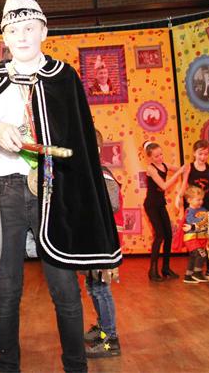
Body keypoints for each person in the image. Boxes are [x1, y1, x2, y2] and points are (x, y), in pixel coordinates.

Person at [0, 0, 121, 373]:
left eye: (29, 28)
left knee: (64, 287)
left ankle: (75, 365)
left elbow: (80, 140)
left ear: (44, 32)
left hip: (54, 193)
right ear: (4, 37)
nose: (21, 36)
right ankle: (7, 366)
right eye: (13, 30)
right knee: (6, 287)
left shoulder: (64, 78)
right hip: (7, 190)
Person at [83, 130, 123, 359]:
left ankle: (111, 341)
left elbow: (113, 204)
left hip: (100, 242)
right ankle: (102, 329)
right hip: (90, 242)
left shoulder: (102, 174)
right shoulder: (87, 173)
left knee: (101, 289)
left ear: (96, 149)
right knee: (92, 286)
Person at [142, 141, 186, 282]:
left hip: (160, 204)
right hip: (151, 205)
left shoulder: (164, 165)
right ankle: (152, 271)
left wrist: (186, 169)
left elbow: (182, 169)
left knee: (168, 235)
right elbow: (164, 185)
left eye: (161, 154)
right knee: (159, 235)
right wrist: (178, 173)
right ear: (150, 157)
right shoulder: (151, 169)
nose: (160, 158)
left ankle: (166, 268)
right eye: (156, 156)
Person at [177, 139, 209, 213]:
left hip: (206, 202)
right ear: (194, 153)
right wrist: (179, 197)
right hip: (193, 203)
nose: (203, 157)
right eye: (200, 154)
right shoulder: (189, 167)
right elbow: (184, 186)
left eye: (206, 154)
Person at [180, 186, 209, 284]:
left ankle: (188, 276)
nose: (201, 201)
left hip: (199, 238)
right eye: (198, 199)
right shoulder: (189, 211)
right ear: (189, 200)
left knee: (193, 256)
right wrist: (203, 220)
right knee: (201, 254)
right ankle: (197, 273)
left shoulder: (203, 209)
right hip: (191, 238)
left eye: (202, 199)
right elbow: (191, 221)